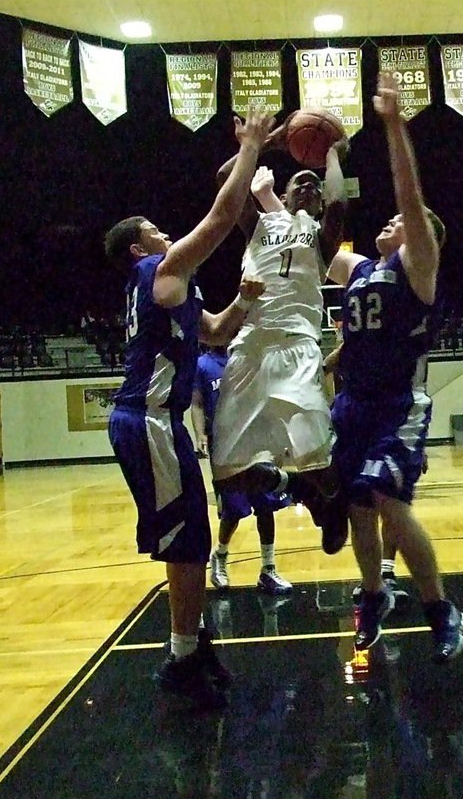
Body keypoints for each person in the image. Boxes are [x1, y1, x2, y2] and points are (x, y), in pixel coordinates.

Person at [103, 107, 273, 701]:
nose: (163, 233)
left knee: (191, 537)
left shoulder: (175, 286)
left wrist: (246, 300)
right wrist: (250, 145)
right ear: (136, 250)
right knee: (186, 541)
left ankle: (192, 644)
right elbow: (225, 214)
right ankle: (181, 661)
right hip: (146, 421)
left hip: (160, 423)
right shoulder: (157, 270)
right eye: (152, 229)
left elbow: (217, 333)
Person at [326, 73, 463, 662]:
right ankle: (373, 595)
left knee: (385, 496)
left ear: (422, 238)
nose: (391, 220)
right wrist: (327, 158)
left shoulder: (419, 268)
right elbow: (318, 241)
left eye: (402, 222)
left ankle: (439, 606)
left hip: (397, 404)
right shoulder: (360, 272)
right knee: (356, 503)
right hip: (353, 403)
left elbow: (410, 196)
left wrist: (393, 125)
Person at [209, 124, 350, 555]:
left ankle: (329, 502)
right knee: (229, 475)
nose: (306, 187)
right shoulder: (259, 222)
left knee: (320, 461)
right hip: (249, 348)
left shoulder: (322, 236)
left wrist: (331, 155)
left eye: (313, 186)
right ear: (283, 197)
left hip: (297, 346)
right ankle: (298, 490)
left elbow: (340, 201)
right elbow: (223, 180)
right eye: (298, 184)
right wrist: (263, 142)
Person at [191, 345, 293, 594]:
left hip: (257, 440)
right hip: (225, 445)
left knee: (266, 504)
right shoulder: (202, 365)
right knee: (234, 510)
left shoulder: (253, 359)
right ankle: (221, 555)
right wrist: (199, 434)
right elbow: (197, 404)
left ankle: (268, 569)